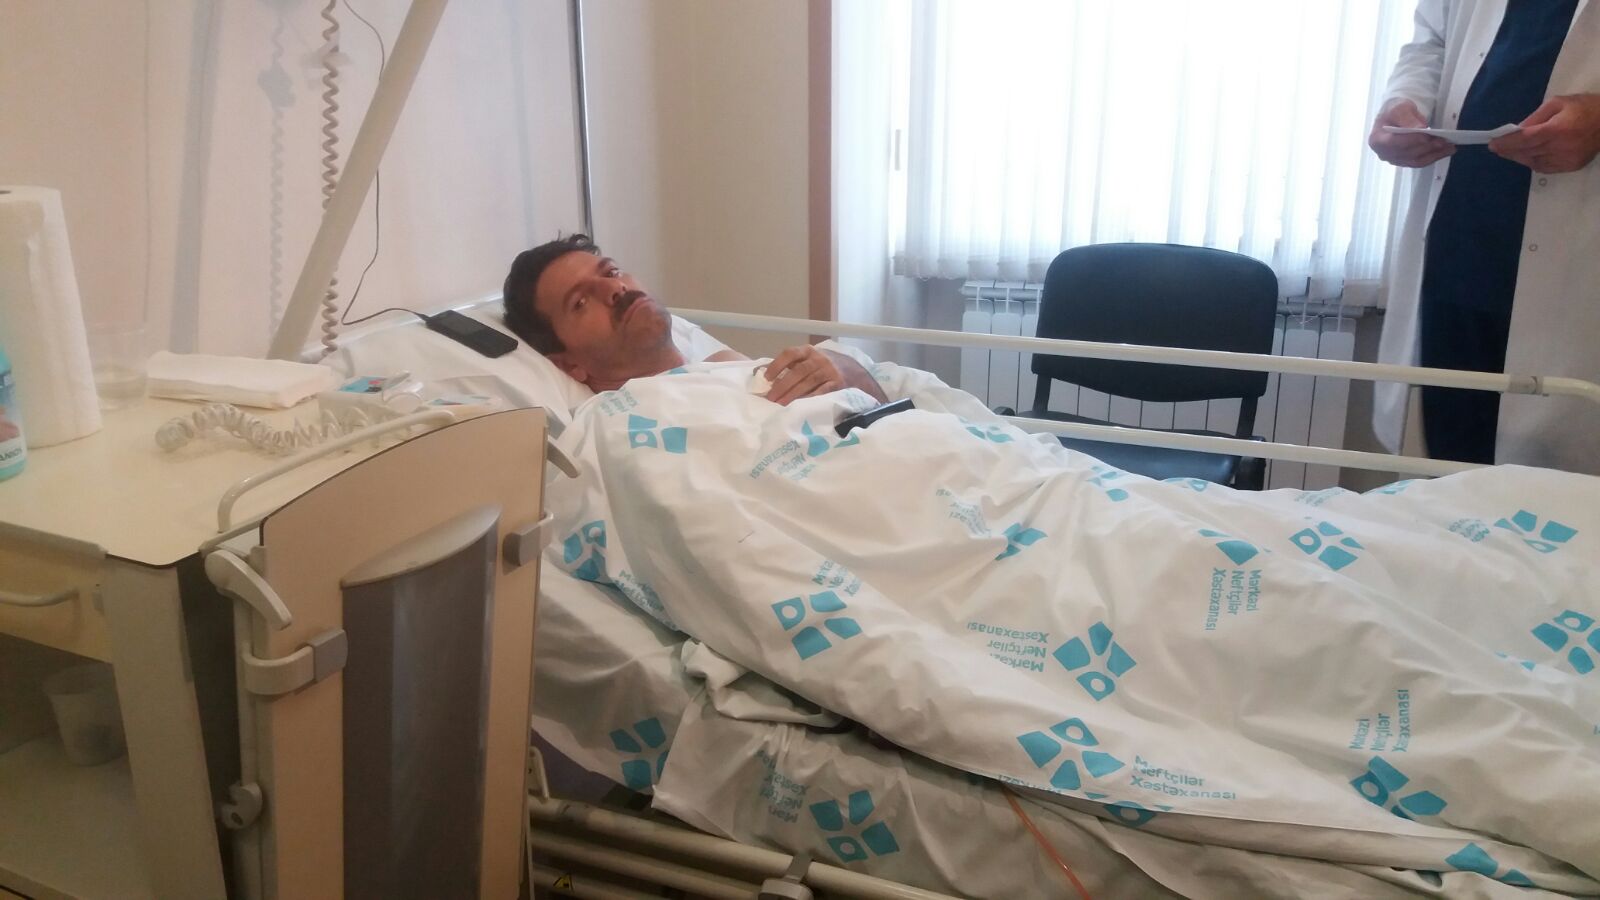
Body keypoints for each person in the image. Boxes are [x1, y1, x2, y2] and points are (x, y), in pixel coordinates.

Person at [1369, 1, 1600, 473]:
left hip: (1576, 276)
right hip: (1457, 253)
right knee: (1443, 479)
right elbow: (1431, 40)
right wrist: (1403, 103)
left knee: (1555, 496)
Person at [502, 234, 887, 406]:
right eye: (582, 301)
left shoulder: (730, 367)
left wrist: (845, 372)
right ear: (569, 364)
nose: (615, 288)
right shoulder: (613, 429)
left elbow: (891, 413)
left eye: (611, 271)